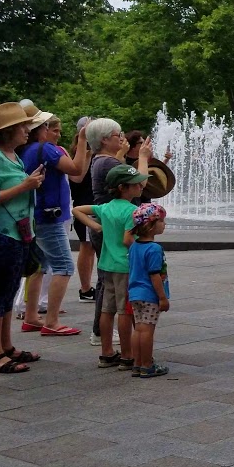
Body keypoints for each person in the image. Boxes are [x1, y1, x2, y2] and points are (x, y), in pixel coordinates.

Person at [0, 103, 44, 373]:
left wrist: (28, 183)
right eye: (22, 126)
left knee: (8, 293)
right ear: (8, 131)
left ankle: (6, 347)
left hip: (18, 232)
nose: (27, 130)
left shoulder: (11, 155)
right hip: (3, 233)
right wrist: (25, 185)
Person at [73, 164, 148, 371]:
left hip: (106, 264)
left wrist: (95, 226)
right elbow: (128, 240)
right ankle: (127, 355)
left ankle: (106, 353)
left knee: (107, 309)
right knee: (125, 311)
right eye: (136, 183)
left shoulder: (106, 207)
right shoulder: (133, 211)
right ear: (123, 187)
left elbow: (76, 209)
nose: (141, 186)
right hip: (125, 265)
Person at [20, 113, 89, 335]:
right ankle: (51, 322)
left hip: (34, 215)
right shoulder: (46, 149)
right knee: (64, 267)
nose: (56, 133)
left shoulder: (27, 150)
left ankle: (31, 316)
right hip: (49, 216)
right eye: (51, 128)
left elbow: (75, 175)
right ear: (42, 128)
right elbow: (77, 170)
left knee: (40, 266)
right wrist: (82, 140)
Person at [84, 118, 147, 347]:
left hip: (107, 224)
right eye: (117, 135)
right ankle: (104, 334)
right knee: (113, 290)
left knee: (106, 282)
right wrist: (144, 157)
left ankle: (103, 338)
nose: (122, 139)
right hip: (115, 228)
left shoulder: (103, 161)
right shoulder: (107, 163)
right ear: (104, 140)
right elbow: (139, 182)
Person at [126, 203, 170, 378]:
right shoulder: (154, 249)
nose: (164, 224)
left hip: (135, 294)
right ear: (151, 225)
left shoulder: (134, 246)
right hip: (150, 295)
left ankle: (137, 363)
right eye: (162, 221)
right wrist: (162, 297)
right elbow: (155, 275)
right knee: (147, 330)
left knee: (138, 329)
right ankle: (147, 364)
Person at [69, 117, 97, 303]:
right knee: (87, 246)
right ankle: (85, 288)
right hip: (84, 205)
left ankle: (87, 287)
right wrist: (86, 148)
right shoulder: (81, 152)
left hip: (91, 204)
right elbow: (77, 177)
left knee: (91, 247)